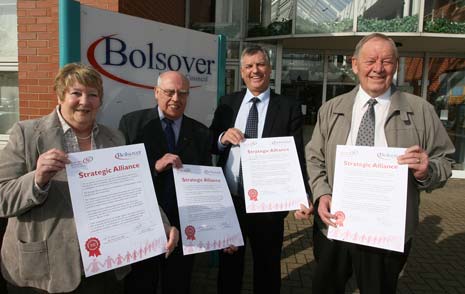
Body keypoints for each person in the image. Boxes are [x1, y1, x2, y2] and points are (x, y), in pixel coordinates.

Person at [0, 63, 178, 294]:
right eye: (76, 93)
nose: (85, 101)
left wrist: (159, 224)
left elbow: (133, 191)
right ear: (60, 95)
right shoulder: (26, 134)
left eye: (92, 95)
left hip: (103, 268)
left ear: (100, 101)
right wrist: (37, 179)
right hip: (44, 272)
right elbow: (2, 197)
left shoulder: (114, 137)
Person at [300, 33, 455, 294]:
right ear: (355, 64)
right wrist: (321, 193)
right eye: (370, 60)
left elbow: (445, 162)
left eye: (386, 61)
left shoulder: (421, 111)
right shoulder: (331, 108)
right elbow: (314, 157)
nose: (378, 68)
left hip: (385, 234)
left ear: (395, 65)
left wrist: (427, 170)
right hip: (335, 226)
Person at [210, 45, 311, 294]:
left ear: (269, 68)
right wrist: (223, 137)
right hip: (231, 201)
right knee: (229, 266)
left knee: (267, 267)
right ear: (242, 72)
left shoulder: (288, 106)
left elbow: (297, 154)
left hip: (269, 206)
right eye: (249, 66)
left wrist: (302, 194)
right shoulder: (228, 103)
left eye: (260, 64)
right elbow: (212, 140)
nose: (255, 70)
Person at [119, 71, 211, 294]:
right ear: (156, 92)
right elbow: (121, 177)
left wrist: (218, 230)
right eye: (169, 92)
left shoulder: (200, 131)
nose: (176, 99)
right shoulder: (132, 124)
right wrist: (154, 167)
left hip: (183, 222)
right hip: (143, 221)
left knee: (178, 283)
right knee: (141, 283)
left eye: (183, 93)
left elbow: (206, 183)